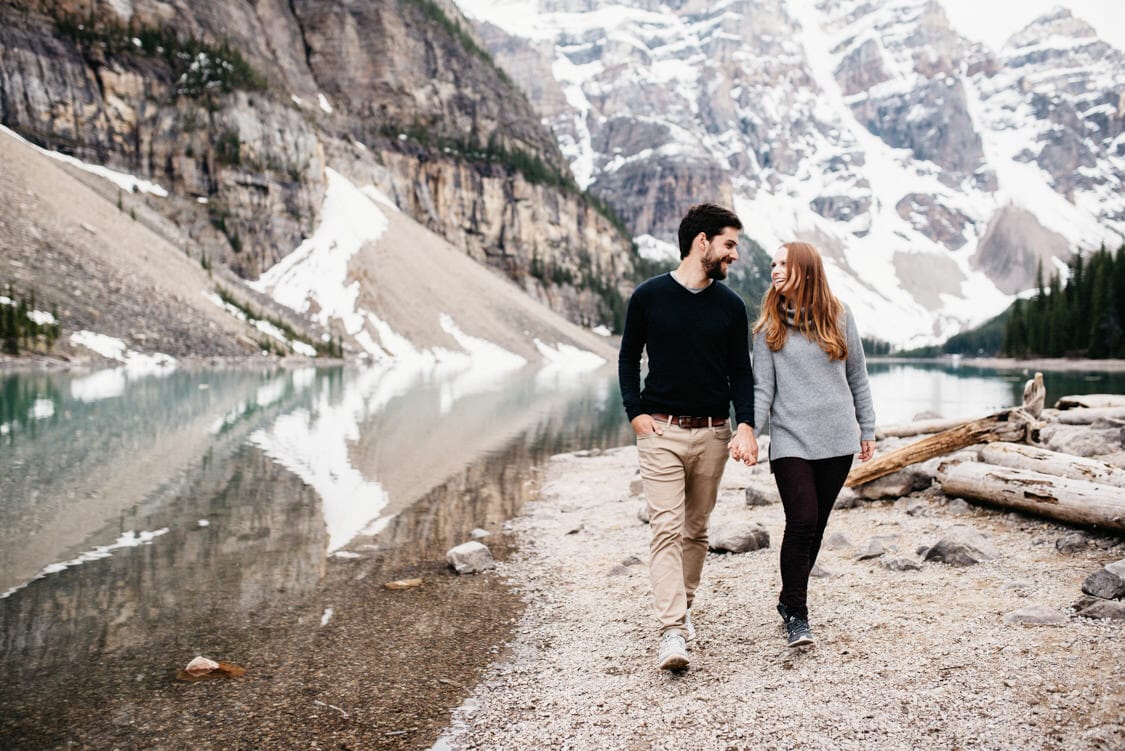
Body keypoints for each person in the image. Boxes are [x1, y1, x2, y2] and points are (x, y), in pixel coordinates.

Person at [618, 203, 759, 671]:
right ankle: (672, 630)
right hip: (660, 432)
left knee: (696, 529)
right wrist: (635, 413)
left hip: (714, 434)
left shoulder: (732, 306)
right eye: (729, 244)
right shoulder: (648, 296)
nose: (733, 255)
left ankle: (685, 608)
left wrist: (745, 424)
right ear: (703, 242)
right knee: (665, 528)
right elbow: (626, 358)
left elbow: (742, 371)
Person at [751, 241, 876, 648]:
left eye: (783, 263)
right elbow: (762, 389)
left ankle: (788, 600)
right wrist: (749, 430)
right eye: (772, 263)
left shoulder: (839, 316)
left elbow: (857, 376)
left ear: (806, 268)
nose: (775, 270)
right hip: (791, 439)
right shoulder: (769, 326)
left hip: (838, 439)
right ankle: (798, 615)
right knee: (802, 519)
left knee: (817, 526)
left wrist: (867, 429)